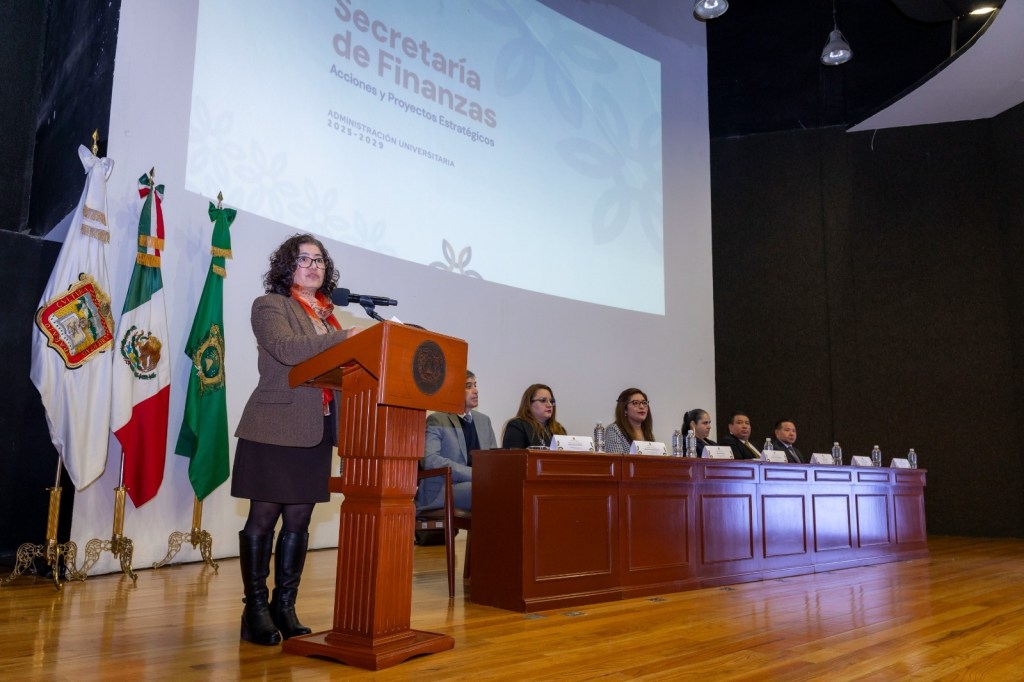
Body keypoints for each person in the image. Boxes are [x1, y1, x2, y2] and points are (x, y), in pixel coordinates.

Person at [231, 233, 361, 646]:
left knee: (300, 522)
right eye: (304, 259)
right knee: (264, 519)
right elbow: (287, 350)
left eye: (319, 260)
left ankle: (284, 607)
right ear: (287, 267)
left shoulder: (330, 317)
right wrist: (346, 339)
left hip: (316, 430)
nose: (313, 266)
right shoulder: (271, 306)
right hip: (274, 426)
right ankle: (255, 609)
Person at [415, 370, 498, 512]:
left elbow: (494, 461)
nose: (476, 390)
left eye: (475, 385)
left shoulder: (484, 421)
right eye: (468, 386)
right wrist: (474, 474)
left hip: (476, 486)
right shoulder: (438, 419)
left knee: (510, 489)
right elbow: (430, 460)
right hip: (444, 489)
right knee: (487, 491)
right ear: (453, 392)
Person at [502, 383, 567, 448]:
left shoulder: (559, 429)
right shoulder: (517, 426)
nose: (549, 405)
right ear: (528, 404)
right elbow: (514, 456)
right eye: (543, 400)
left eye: (551, 401)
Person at [605, 388, 654, 453]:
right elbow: (617, 461)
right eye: (635, 403)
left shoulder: (647, 433)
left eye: (644, 403)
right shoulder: (614, 430)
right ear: (625, 409)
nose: (642, 406)